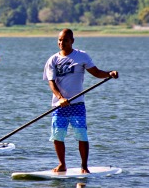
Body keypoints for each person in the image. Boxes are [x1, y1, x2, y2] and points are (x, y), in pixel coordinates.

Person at [43, 28, 119, 173]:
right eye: (59, 40)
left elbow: (96, 72)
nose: (61, 43)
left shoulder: (81, 56)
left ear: (72, 41)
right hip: (59, 105)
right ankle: (62, 164)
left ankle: (84, 166)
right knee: (57, 135)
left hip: (77, 103)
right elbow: (51, 82)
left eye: (65, 40)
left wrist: (109, 74)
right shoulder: (53, 60)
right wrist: (60, 98)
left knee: (81, 135)